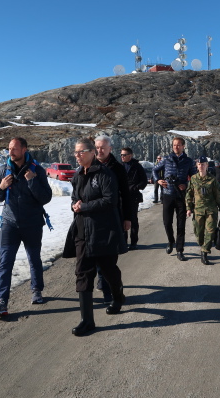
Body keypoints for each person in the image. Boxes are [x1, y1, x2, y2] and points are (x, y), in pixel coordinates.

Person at [63, 138, 126, 336]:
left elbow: (110, 200)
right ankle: (87, 321)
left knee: (108, 270)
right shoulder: (78, 175)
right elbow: (76, 197)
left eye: (81, 152)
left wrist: (86, 206)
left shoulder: (105, 174)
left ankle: (118, 296)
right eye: (76, 152)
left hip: (103, 231)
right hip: (83, 231)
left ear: (91, 152)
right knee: (83, 273)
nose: (77, 155)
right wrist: (75, 205)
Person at [0, 137, 53, 316]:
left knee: (34, 259)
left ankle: (36, 290)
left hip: (32, 224)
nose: (10, 152)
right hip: (10, 224)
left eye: (14, 149)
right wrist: (1, 187)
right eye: (9, 149)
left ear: (24, 149)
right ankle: (2, 301)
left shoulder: (37, 170)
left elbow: (46, 198)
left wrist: (32, 181)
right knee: (5, 262)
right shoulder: (3, 170)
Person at [94, 135, 132, 304]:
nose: (99, 151)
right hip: (93, 218)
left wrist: (128, 218)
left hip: (112, 217)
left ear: (110, 149)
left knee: (109, 257)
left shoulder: (117, 168)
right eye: (97, 147)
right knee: (95, 254)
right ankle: (105, 283)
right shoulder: (90, 165)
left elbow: (126, 194)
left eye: (103, 148)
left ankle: (111, 289)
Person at [152, 137, 197, 261]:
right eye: (174, 145)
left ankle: (179, 250)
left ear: (183, 146)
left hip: (181, 197)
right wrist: (158, 180)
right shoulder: (166, 159)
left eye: (178, 145)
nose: (176, 147)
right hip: (167, 195)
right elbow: (155, 170)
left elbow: (194, 177)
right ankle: (171, 241)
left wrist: (186, 184)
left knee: (181, 224)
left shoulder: (188, 161)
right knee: (167, 222)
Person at [186, 156, 220, 265]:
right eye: (199, 164)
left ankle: (204, 252)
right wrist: (188, 208)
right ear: (197, 166)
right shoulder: (193, 179)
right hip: (198, 211)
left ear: (207, 165)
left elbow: (218, 196)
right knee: (199, 233)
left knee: (210, 231)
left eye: (203, 164)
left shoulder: (212, 180)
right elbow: (189, 194)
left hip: (211, 211)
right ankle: (203, 245)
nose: (201, 166)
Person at [120, 147, 148, 250]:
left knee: (132, 219)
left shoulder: (137, 167)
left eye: (124, 155)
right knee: (122, 219)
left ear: (130, 156)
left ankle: (134, 242)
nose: (122, 157)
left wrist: (134, 187)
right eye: (121, 155)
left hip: (133, 197)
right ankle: (123, 241)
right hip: (121, 197)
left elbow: (144, 181)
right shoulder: (119, 166)